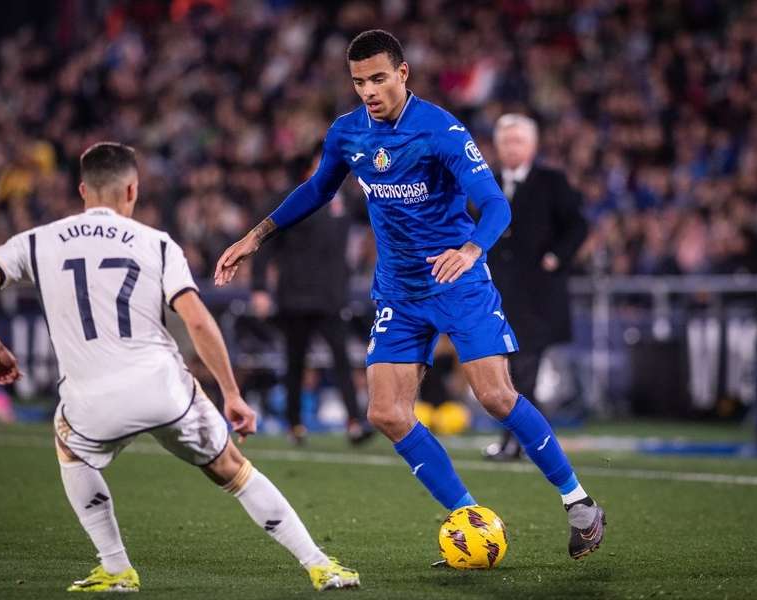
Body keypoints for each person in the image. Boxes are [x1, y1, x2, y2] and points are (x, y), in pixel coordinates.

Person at [214, 30, 605, 561]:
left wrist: (471, 251)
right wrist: (255, 237)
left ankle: (578, 501)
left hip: (457, 279)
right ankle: (468, 517)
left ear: (403, 74)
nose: (368, 90)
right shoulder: (347, 133)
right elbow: (315, 190)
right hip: (399, 288)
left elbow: (495, 205)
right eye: (358, 82)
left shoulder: (441, 130)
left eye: (378, 78)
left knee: (494, 396)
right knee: (387, 412)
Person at [0, 142, 359, 592]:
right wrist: (231, 393)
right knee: (233, 469)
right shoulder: (156, 244)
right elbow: (198, 321)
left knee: (70, 448)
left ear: (83, 189)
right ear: (133, 190)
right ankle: (320, 564)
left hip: (89, 400)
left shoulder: (38, 240)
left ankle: (115, 567)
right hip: (162, 389)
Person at [484, 113, 589, 460]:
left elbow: (577, 225)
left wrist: (556, 257)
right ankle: (521, 442)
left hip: (537, 299)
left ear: (532, 145)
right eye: (506, 140)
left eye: (518, 140)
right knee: (507, 373)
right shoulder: (489, 182)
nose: (511, 147)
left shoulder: (551, 181)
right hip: (499, 296)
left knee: (523, 373)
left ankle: (515, 443)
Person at [251, 152, 372, 445]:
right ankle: (294, 424)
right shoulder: (289, 199)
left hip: (331, 295)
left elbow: (377, 210)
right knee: (295, 361)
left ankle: (355, 421)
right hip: (295, 295)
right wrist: (259, 288)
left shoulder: (343, 201)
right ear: (307, 168)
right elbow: (263, 244)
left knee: (341, 358)